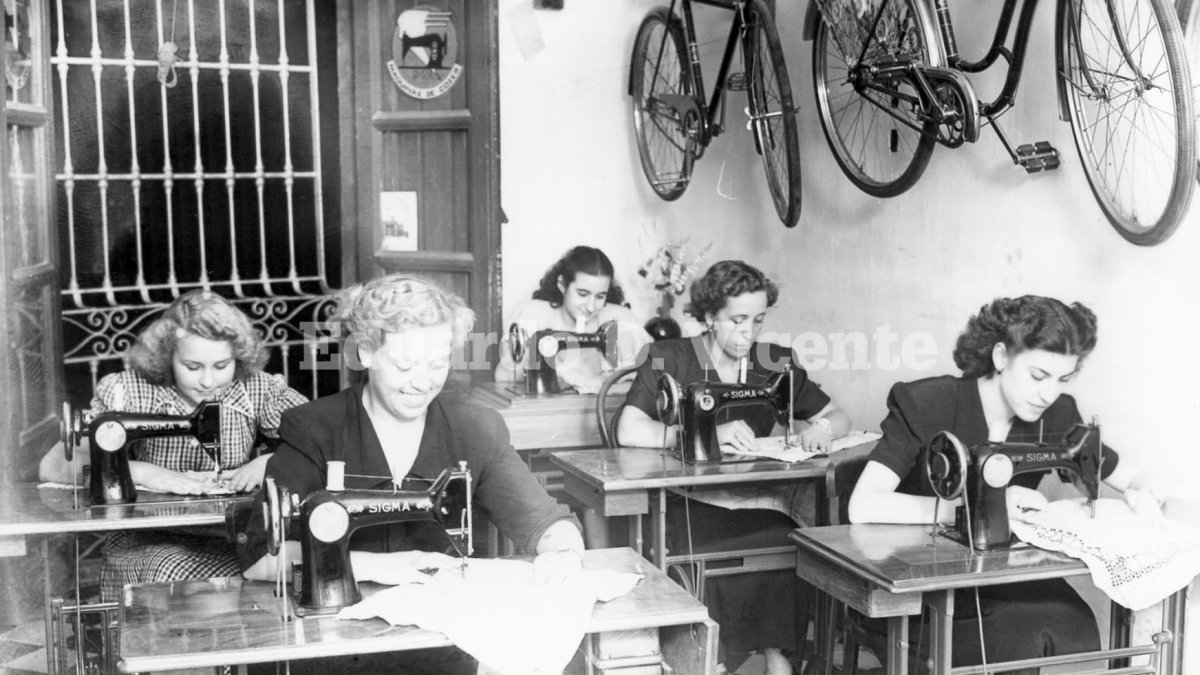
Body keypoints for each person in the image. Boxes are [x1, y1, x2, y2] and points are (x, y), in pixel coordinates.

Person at [239, 274, 585, 674]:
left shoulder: (473, 429)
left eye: (438, 363)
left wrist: (564, 555)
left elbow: (547, 523)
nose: (423, 382)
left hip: (441, 649)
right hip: (332, 648)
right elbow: (261, 558)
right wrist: (378, 565)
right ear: (365, 353)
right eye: (404, 365)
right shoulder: (316, 428)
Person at [848, 295, 1163, 674]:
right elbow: (863, 505)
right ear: (1001, 356)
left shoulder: (1058, 414)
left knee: (1071, 621)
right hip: (916, 583)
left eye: (1063, 379)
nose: (1049, 393)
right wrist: (981, 507)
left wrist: (1145, 492)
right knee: (1018, 631)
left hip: (999, 576)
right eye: (1038, 376)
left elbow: (1129, 476)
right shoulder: (927, 402)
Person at [618, 260, 852, 675]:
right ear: (710, 316)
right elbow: (629, 428)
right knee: (721, 542)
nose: (749, 332)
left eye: (758, 319)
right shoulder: (668, 357)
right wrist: (703, 432)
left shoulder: (773, 361)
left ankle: (780, 658)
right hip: (686, 500)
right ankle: (714, 659)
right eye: (737, 320)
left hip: (755, 497)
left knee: (793, 539)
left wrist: (822, 429)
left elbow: (838, 415)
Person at [38, 289, 308, 601]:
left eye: (222, 365)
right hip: (146, 538)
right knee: (172, 572)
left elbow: (321, 439)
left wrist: (273, 461)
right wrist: (143, 472)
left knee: (271, 567)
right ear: (168, 356)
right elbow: (52, 465)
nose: (208, 381)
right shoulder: (132, 392)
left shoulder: (255, 389)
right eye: (192, 367)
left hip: (231, 536)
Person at [495, 245, 652, 394]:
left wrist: (626, 375)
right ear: (562, 285)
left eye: (600, 296)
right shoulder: (534, 314)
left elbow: (656, 368)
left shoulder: (620, 317)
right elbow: (502, 374)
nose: (591, 307)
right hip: (548, 410)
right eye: (583, 294)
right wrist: (557, 371)